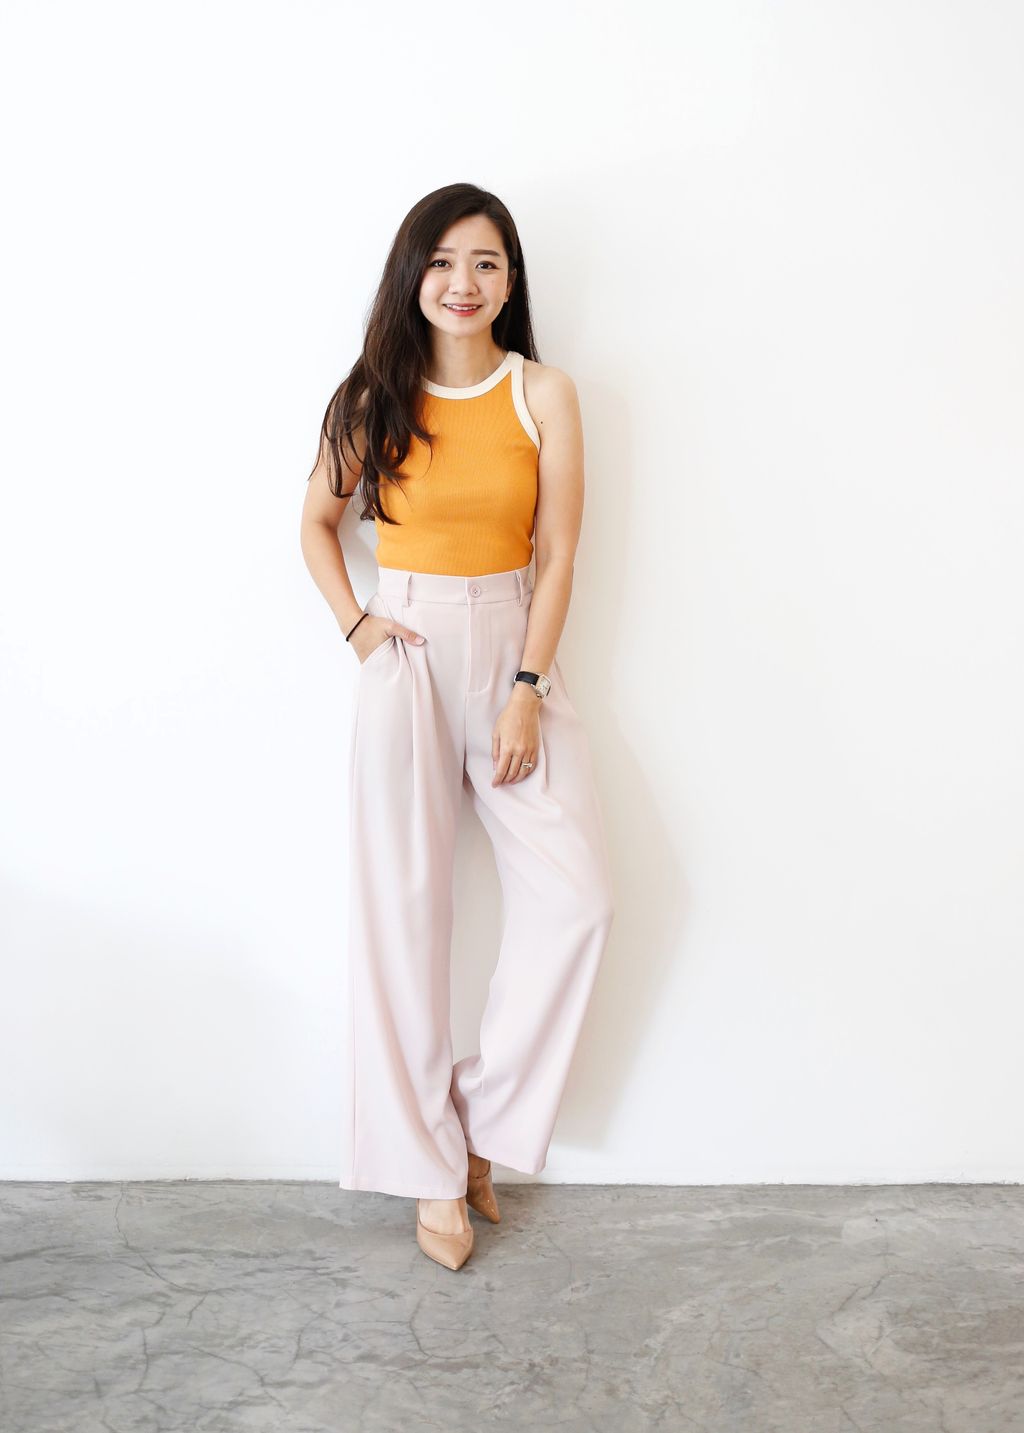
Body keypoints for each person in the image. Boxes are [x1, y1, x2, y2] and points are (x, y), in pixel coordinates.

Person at [299, 182, 615, 1271]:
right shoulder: (370, 396)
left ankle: (474, 1124)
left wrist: (527, 683)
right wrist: (359, 627)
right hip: (409, 651)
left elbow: (559, 552)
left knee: (577, 897)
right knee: (403, 910)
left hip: (515, 649)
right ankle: (429, 1171)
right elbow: (316, 522)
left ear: (510, 280)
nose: (462, 282)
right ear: (412, 276)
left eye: (484, 262)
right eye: (440, 261)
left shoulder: (543, 393)